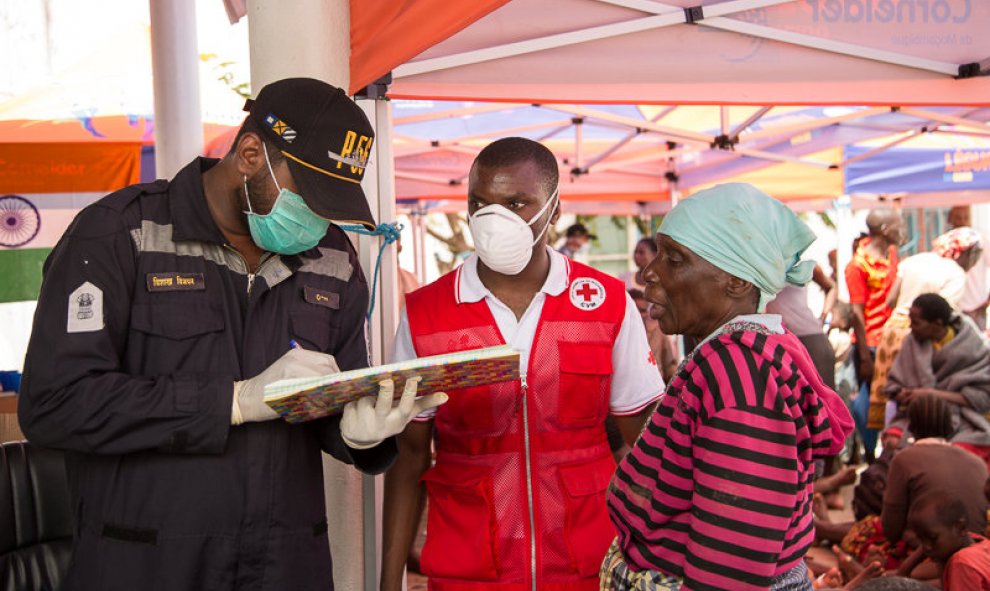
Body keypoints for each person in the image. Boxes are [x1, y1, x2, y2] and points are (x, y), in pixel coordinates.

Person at [17, 78, 445, 590]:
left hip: (285, 568)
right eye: (309, 196)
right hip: (145, 564)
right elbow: (55, 404)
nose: (319, 218)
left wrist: (360, 435)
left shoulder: (331, 260)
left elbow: (338, 395)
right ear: (249, 154)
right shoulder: (120, 235)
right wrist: (234, 401)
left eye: (332, 203)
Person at [382, 137, 663, 591]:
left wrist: (658, 559)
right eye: (480, 203)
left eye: (516, 203)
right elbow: (410, 456)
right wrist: (387, 582)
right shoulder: (426, 313)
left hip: (588, 565)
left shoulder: (605, 303)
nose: (495, 219)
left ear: (553, 210)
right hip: (468, 569)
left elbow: (646, 446)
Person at [602, 183, 854, 591]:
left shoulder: (738, 370)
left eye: (675, 259)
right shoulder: (742, 355)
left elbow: (733, 555)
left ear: (736, 282)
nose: (649, 272)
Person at [869, 227, 983, 431]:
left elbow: (891, 299)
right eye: (972, 256)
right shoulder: (955, 274)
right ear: (963, 252)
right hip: (925, 333)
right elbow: (946, 310)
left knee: (888, 395)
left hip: (893, 330)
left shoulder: (913, 260)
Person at [884, 293, 990, 465]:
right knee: (893, 442)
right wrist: (903, 394)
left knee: (960, 453)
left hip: (964, 419)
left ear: (937, 324)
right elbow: (894, 385)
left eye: (916, 323)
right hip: (917, 418)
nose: (911, 327)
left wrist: (929, 394)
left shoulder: (973, 347)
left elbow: (981, 397)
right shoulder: (911, 342)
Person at [881, 393, 988, 546]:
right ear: (950, 426)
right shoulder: (977, 461)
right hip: (978, 549)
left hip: (927, 551)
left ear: (911, 427)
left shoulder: (904, 460)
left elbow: (891, 529)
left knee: (865, 532)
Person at [845, 207, 905, 461]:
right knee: (869, 404)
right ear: (884, 230)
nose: (901, 231)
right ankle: (872, 455)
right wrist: (865, 357)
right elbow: (857, 313)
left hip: (891, 340)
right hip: (869, 345)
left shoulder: (892, 255)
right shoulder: (857, 265)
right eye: (897, 226)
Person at [908, 490, 990, 590]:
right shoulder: (980, 542)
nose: (926, 547)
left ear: (961, 527)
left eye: (933, 538)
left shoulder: (962, 564)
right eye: (921, 539)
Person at [949, 205, 990, 330]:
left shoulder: (981, 240)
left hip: (977, 307)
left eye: (965, 217)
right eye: (958, 217)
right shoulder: (946, 242)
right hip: (956, 308)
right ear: (951, 219)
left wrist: (987, 301)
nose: (962, 221)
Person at [629, 288, 678, 382]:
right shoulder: (616, 335)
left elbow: (670, 365)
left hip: (655, 390)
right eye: (635, 310)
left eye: (642, 310)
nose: (638, 315)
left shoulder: (658, 332)